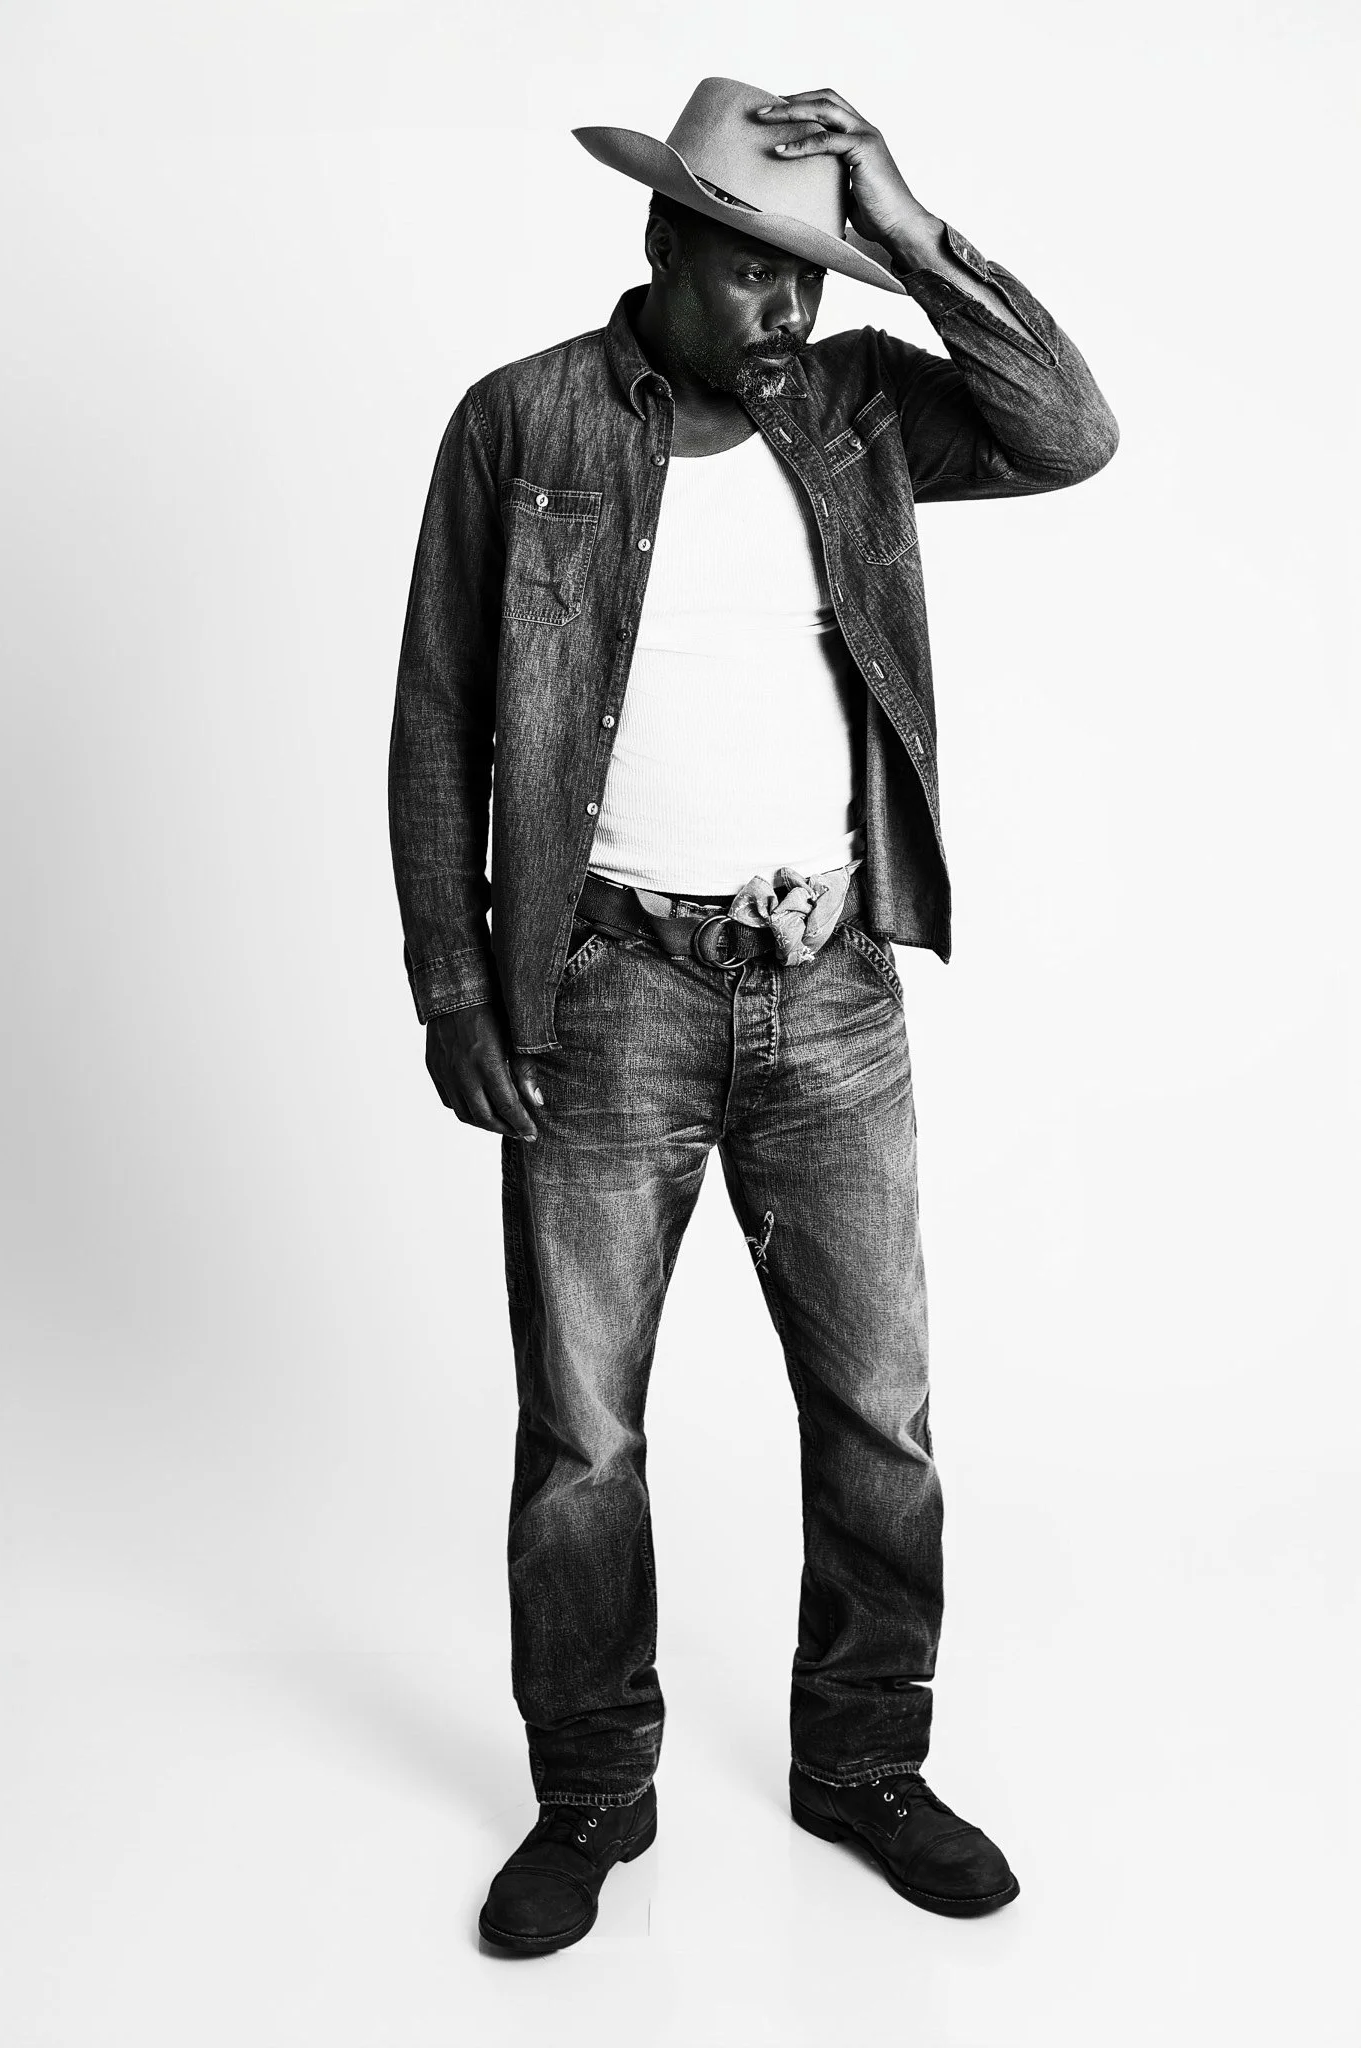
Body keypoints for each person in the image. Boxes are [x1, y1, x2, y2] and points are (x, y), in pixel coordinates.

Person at [388, 75, 1117, 1954]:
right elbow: (437, 716)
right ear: (661, 241)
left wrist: (906, 220)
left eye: (811, 274)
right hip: (602, 994)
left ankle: (863, 1760)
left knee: (879, 1409)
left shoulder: (857, 404)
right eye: (752, 271)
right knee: (584, 1434)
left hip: (828, 989)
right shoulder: (522, 422)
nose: (786, 309)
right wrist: (455, 982)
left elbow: (1068, 432)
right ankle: (590, 1792)